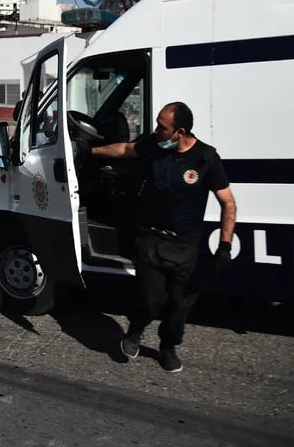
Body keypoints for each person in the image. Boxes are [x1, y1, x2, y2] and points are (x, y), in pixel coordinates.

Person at [91, 101, 236, 373]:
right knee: (151, 299)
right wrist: (90, 150)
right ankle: (135, 331)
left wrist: (225, 245)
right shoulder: (155, 146)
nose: (157, 130)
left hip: (184, 246)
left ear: (180, 131)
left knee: (178, 307)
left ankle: (168, 347)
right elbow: (125, 149)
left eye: (163, 126)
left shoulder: (206, 158)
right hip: (151, 240)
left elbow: (228, 202)